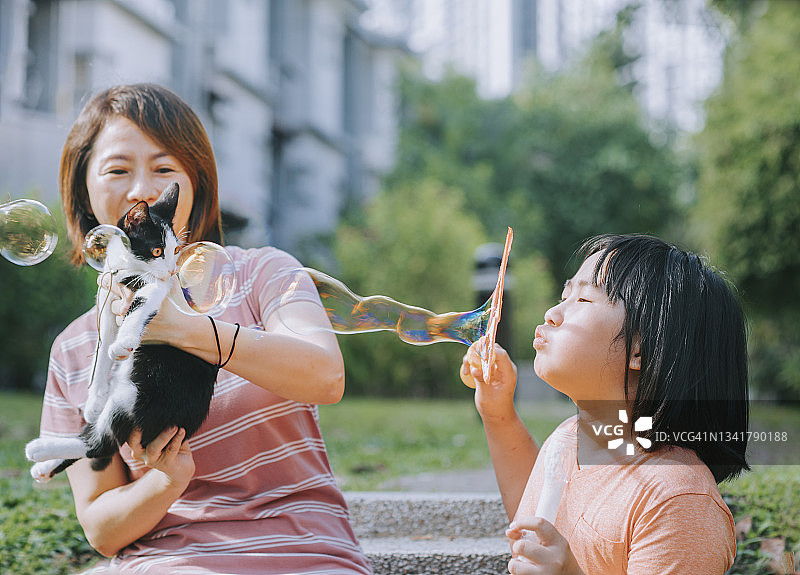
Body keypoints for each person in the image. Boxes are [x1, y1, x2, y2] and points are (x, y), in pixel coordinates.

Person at [38, 83, 372, 574]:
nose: (141, 191)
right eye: (117, 170)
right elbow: (103, 530)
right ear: (85, 194)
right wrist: (164, 483)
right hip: (169, 562)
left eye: (164, 168)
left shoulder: (262, 274)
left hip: (304, 552)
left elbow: (325, 376)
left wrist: (186, 330)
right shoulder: (76, 348)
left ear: (193, 185)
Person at [461, 234, 749, 575]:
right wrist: (498, 414)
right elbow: (535, 518)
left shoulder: (678, 501)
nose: (552, 313)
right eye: (563, 295)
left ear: (641, 348)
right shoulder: (570, 440)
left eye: (582, 299)